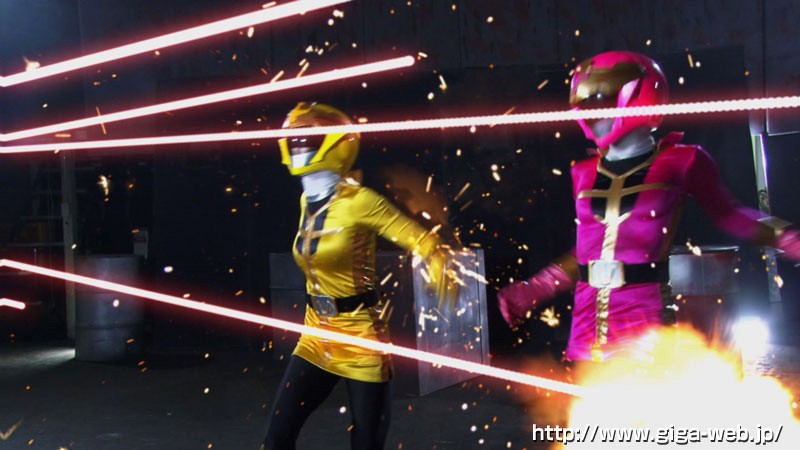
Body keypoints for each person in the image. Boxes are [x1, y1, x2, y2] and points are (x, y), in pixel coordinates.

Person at [497, 50, 800, 363]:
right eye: (587, 104)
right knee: (584, 396)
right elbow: (588, 250)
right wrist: (536, 287)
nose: (593, 114)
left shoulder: (682, 160)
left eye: (602, 101)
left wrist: (787, 238)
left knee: (644, 393)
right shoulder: (583, 172)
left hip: (642, 318)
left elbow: (729, 214)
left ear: (638, 96)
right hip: (587, 320)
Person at [263, 102, 455, 450]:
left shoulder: (361, 200)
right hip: (316, 334)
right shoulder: (307, 201)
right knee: (277, 439)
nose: (299, 145)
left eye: (308, 138)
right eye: (294, 138)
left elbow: (421, 240)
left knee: (366, 444)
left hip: (361, 337)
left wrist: (439, 267)